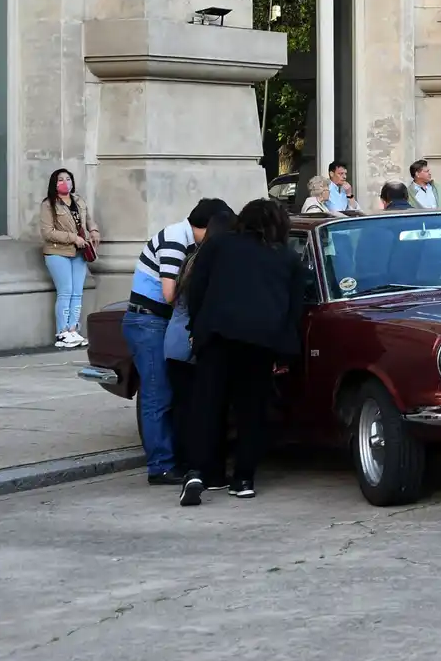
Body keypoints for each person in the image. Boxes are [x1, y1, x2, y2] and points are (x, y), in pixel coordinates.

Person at [179, 199, 310, 505]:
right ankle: (244, 478)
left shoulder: (219, 245)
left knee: (208, 406)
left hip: (217, 335)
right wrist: (284, 348)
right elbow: (294, 308)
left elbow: (197, 289)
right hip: (260, 341)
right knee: (252, 411)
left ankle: (201, 471)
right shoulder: (288, 258)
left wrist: (197, 328)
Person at [123, 198, 231, 486]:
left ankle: (172, 459)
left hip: (155, 320)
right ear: (206, 227)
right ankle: (160, 466)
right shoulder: (175, 239)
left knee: (166, 394)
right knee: (157, 396)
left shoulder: (185, 240)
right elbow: (170, 293)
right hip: (148, 320)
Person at [163, 206, 237, 481]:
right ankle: (195, 465)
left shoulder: (194, 258)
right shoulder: (210, 261)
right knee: (198, 409)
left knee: (184, 407)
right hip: (191, 341)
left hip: (176, 338)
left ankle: (184, 463)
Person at [39, 167, 100, 349]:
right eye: (60, 179)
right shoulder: (48, 204)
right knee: (65, 291)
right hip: (58, 252)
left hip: (79, 253)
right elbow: (47, 232)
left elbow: (88, 219)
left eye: (68, 178)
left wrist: (94, 230)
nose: (65, 182)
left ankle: (73, 329)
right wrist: (73, 238)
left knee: (77, 292)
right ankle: (62, 332)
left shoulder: (78, 200)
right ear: (54, 183)